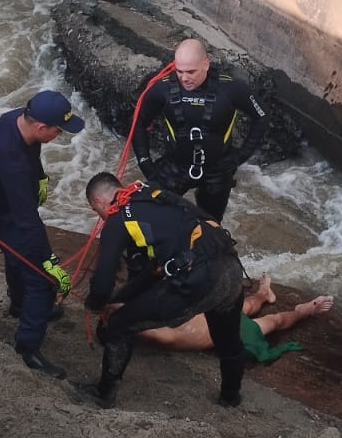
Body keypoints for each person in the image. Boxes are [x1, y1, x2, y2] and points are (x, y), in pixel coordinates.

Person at [78, 172, 247, 407]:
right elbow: (153, 271)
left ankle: (103, 394)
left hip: (200, 280)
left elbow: (102, 284)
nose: (100, 217)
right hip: (231, 267)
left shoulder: (117, 220)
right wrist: (124, 298)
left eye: (96, 211)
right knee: (228, 340)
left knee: (118, 325)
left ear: (99, 202)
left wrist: (96, 305)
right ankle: (230, 397)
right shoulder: (151, 192)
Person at [0, 90, 85, 380]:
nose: (60, 135)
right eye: (58, 130)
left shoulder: (13, 119)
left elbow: (31, 150)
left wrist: (40, 176)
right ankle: (28, 349)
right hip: (1, 213)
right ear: (41, 126)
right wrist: (49, 261)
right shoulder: (12, 162)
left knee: (16, 258)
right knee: (40, 278)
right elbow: (27, 221)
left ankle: (19, 305)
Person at [131, 38, 269, 221]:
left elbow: (262, 116)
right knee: (156, 220)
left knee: (211, 226)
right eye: (179, 71)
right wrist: (145, 163)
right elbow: (139, 122)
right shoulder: (162, 89)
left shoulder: (231, 89)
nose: (184, 78)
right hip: (175, 167)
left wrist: (240, 156)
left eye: (191, 72)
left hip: (217, 169)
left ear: (206, 64)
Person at [136, 275, 333, 362]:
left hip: (212, 313)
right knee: (274, 321)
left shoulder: (165, 308)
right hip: (227, 332)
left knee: (247, 305)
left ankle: (263, 293)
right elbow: (134, 326)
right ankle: (303, 311)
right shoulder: (165, 334)